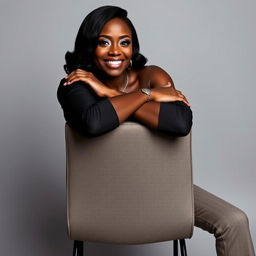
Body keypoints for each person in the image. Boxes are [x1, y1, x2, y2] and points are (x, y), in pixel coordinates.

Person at [57, 5, 255, 256]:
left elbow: (180, 123)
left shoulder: (151, 76)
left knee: (234, 221)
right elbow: (93, 122)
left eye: (124, 42)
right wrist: (147, 98)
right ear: (89, 46)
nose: (115, 51)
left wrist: (113, 94)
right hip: (103, 190)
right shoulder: (76, 84)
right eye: (104, 42)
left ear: (133, 47)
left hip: (163, 186)